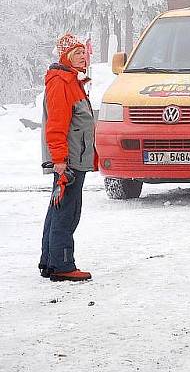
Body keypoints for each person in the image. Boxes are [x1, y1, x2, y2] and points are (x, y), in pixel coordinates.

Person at [39, 33, 96, 282]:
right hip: (69, 160)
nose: (82, 56)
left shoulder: (72, 80)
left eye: (83, 52)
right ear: (65, 56)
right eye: (77, 53)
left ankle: (49, 262)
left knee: (58, 208)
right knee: (67, 211)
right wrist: (60, 161)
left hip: (74, 157)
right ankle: (63, 265)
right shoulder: (61, 82)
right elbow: (56, 125)